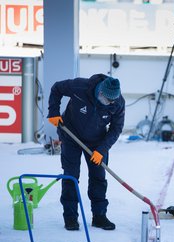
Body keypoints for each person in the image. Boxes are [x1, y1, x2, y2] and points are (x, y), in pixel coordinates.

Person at [47, 74, 125, 231]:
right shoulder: (80, 87)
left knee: (98, 178)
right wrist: (53, 112)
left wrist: (101, 150)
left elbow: (116, 129)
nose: (110, 103)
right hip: (70, 135)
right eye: (108, 100)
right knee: (71, 176)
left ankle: (99, 216)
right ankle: (70, 218)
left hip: (97, 142)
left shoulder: (118, 103)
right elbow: (56, 88)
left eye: (113, 101)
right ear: (100, 93)